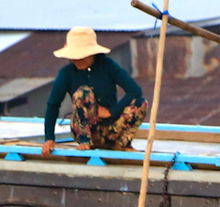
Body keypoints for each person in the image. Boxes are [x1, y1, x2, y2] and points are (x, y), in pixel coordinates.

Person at [41, 27, 146, 157]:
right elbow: (53, 105)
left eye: (82, 56)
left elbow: (134, 90)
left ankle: (122, 143)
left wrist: (111, 112)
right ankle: (86, 142)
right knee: (83, 93)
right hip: (84, 128)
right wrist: (49, 139)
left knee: (140, 104)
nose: (77, 60)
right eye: (74, 57)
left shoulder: (108, 65)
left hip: (111, 128)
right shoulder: (66, 73)